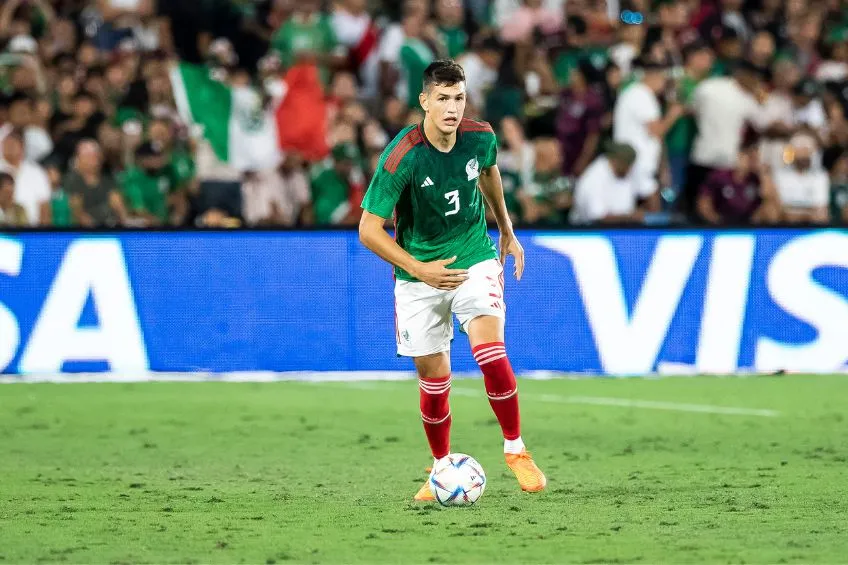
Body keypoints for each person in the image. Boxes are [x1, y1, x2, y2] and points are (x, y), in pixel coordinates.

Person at [358, 60, 546, 501]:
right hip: (418, 270)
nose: (452, 108)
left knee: (490, 350)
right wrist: (420, 269)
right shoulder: (402, 155)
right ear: (424, 101)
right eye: (442, 98)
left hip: (472, 255)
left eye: (458, 98)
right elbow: (368, 229)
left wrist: (506, 228)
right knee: (434, 376)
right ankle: (441, 467)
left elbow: (488, 172)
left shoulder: (480, 137)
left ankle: (516, 450)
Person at [570, 142, 644, 224]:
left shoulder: (621, 171)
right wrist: (630, 217)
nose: (629, 169)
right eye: (627, 165)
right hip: (587, 230)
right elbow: (598, 217)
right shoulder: (595, 177)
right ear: (616, 161)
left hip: (619, 228)